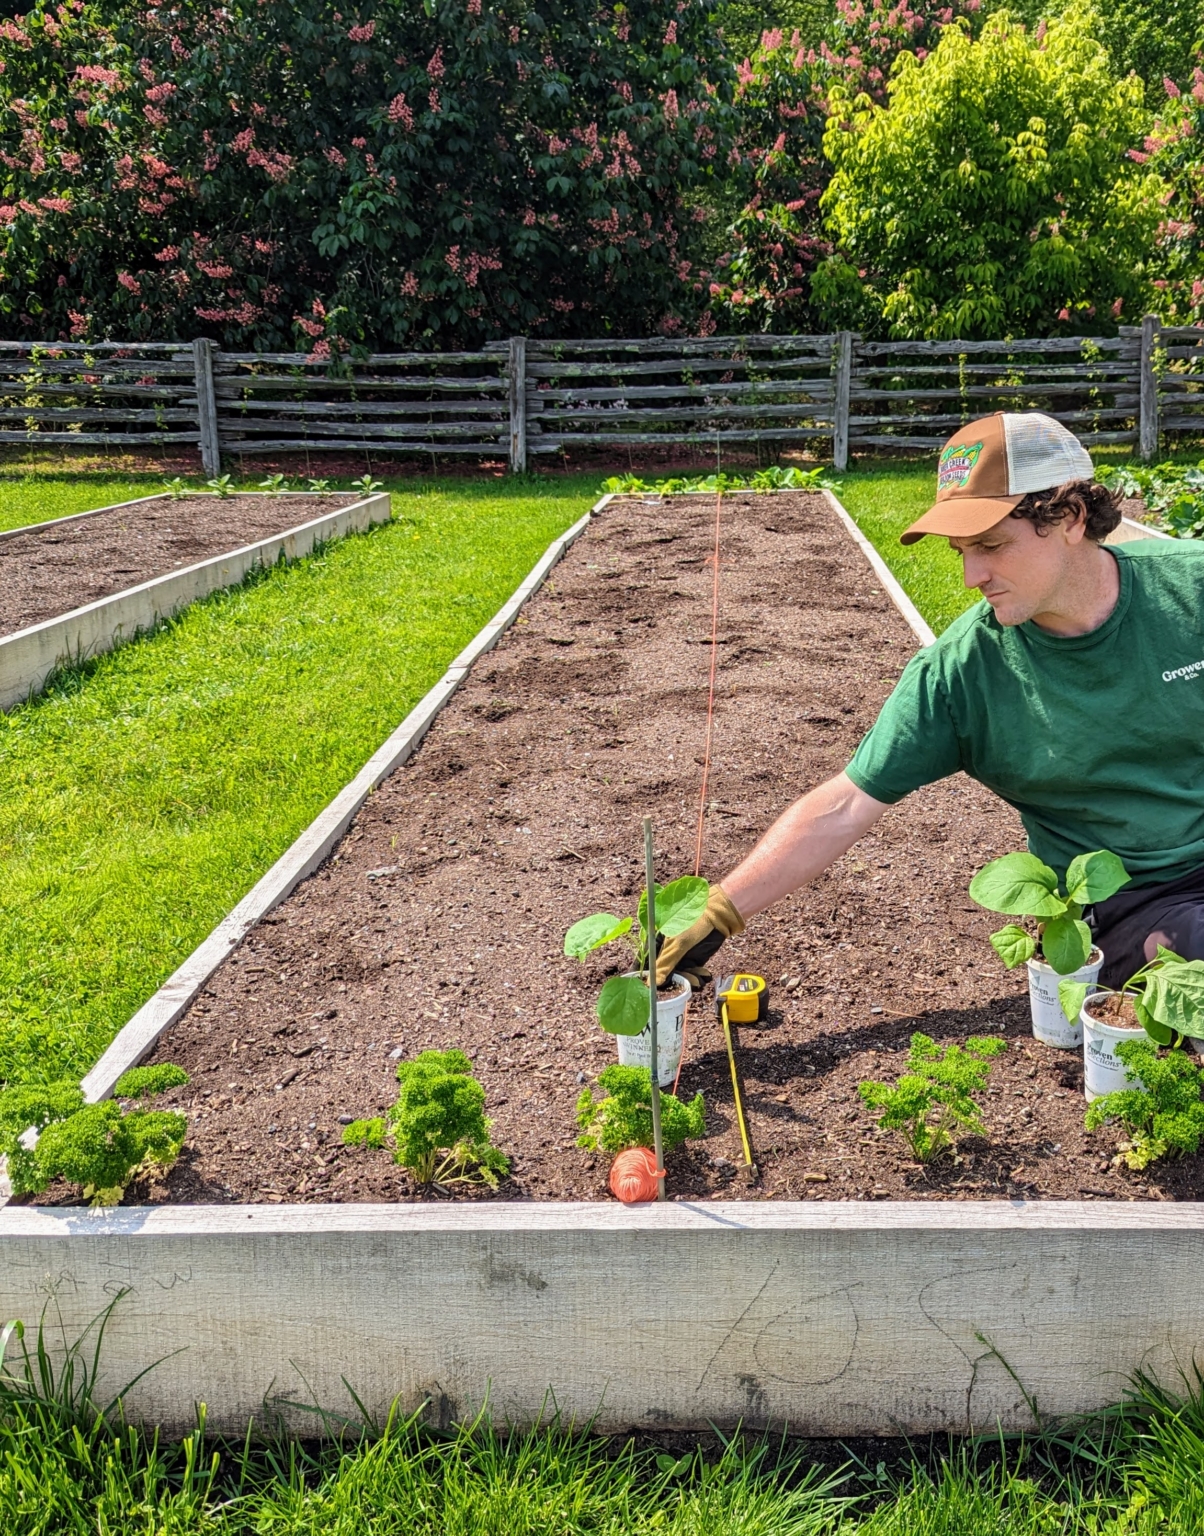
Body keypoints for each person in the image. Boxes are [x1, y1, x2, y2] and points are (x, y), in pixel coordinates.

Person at [657, 410, 1204, 994]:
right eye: (962, 550)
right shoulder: (964, 672)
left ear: (1069, 518)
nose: (973, 575)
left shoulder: (1188, 590)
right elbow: (845, 804)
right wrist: (720, 912)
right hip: (1137, 901)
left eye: (991, 545)